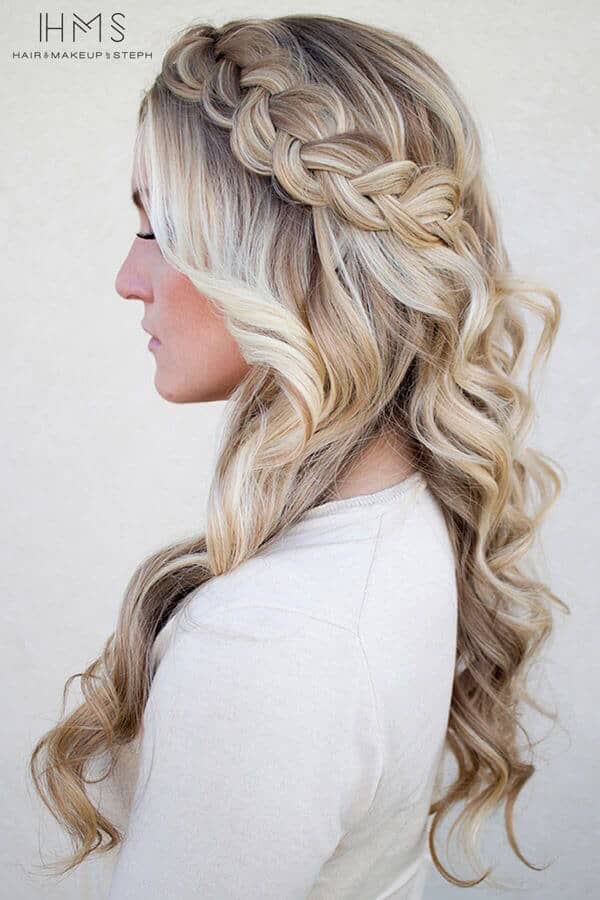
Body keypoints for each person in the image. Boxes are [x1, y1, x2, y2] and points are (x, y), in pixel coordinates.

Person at [29, 14, 568, 899]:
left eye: (157, 227)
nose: (128, 278)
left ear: (281, 254)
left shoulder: (267, 648)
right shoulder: (403, 512)